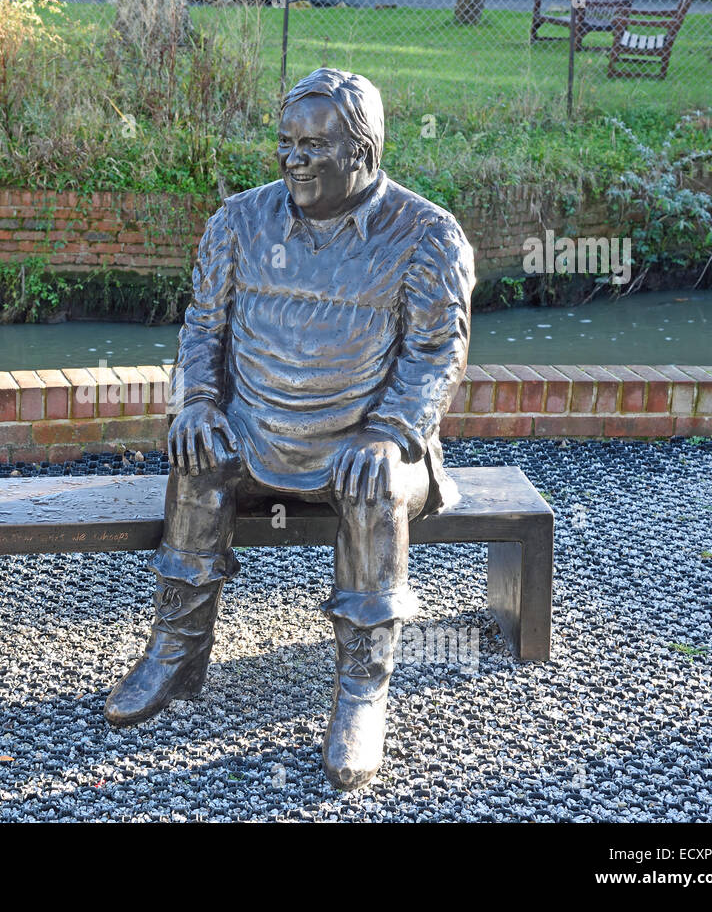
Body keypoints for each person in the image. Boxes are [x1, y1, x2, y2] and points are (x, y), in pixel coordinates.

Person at [104, 68, 476, 791]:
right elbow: (202, 328)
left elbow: (437, 354)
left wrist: (391, 431)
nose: (293, 159)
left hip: (369, 443)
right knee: (197, 457)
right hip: (256, 430)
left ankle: (364, 690)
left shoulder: (428, 234)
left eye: (314, 145)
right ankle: (176, 651)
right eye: (286, 143)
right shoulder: (239, 221)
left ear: (363, 151)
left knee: (377, 489)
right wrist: (199, 401)